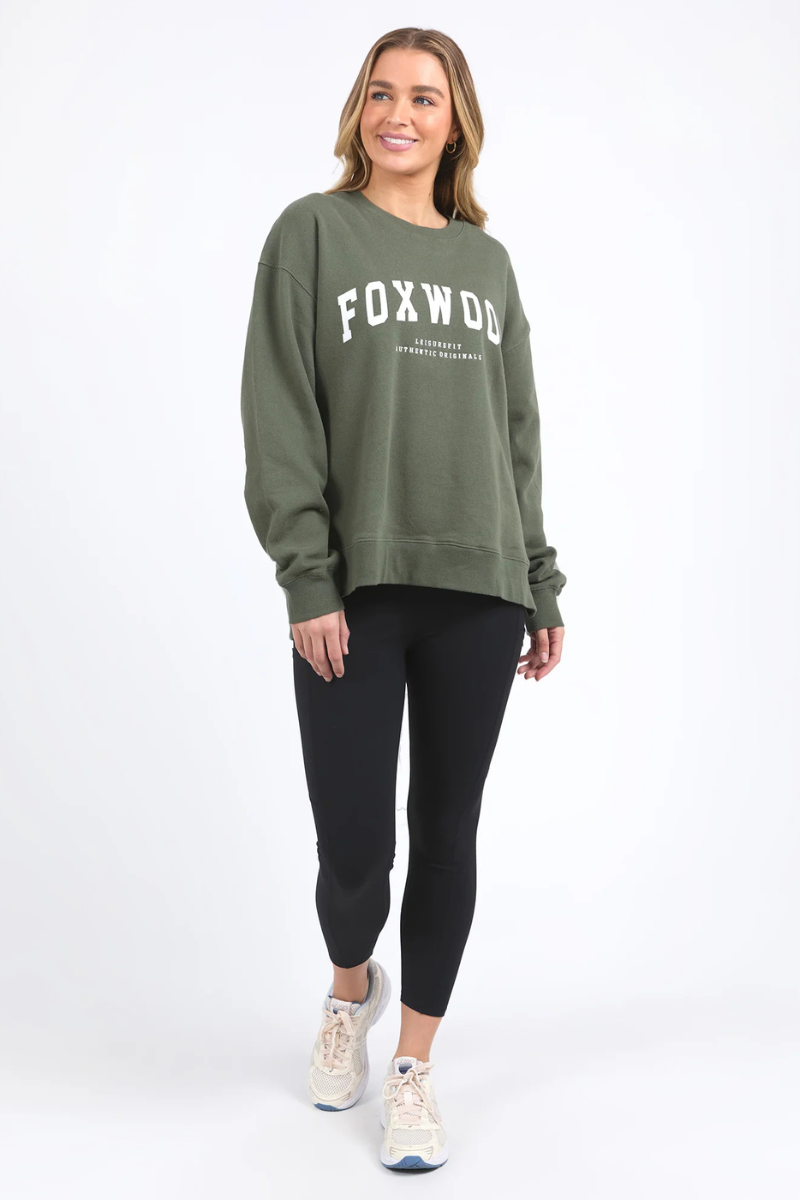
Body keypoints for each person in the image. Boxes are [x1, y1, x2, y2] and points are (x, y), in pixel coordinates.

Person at [240, 26, 567, 1172]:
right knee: (352, 846)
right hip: (357, 588)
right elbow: (279, 413)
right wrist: (307, 575)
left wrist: (538, 582)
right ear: (357, 111)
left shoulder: (487, 264)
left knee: (445, 833)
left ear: (454, 122)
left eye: (425, 98)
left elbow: (515, 435)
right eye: (381, 93)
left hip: (478, 588)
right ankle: (350, 990)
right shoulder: (311, 233)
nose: (399, 114)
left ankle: (415, 1068)